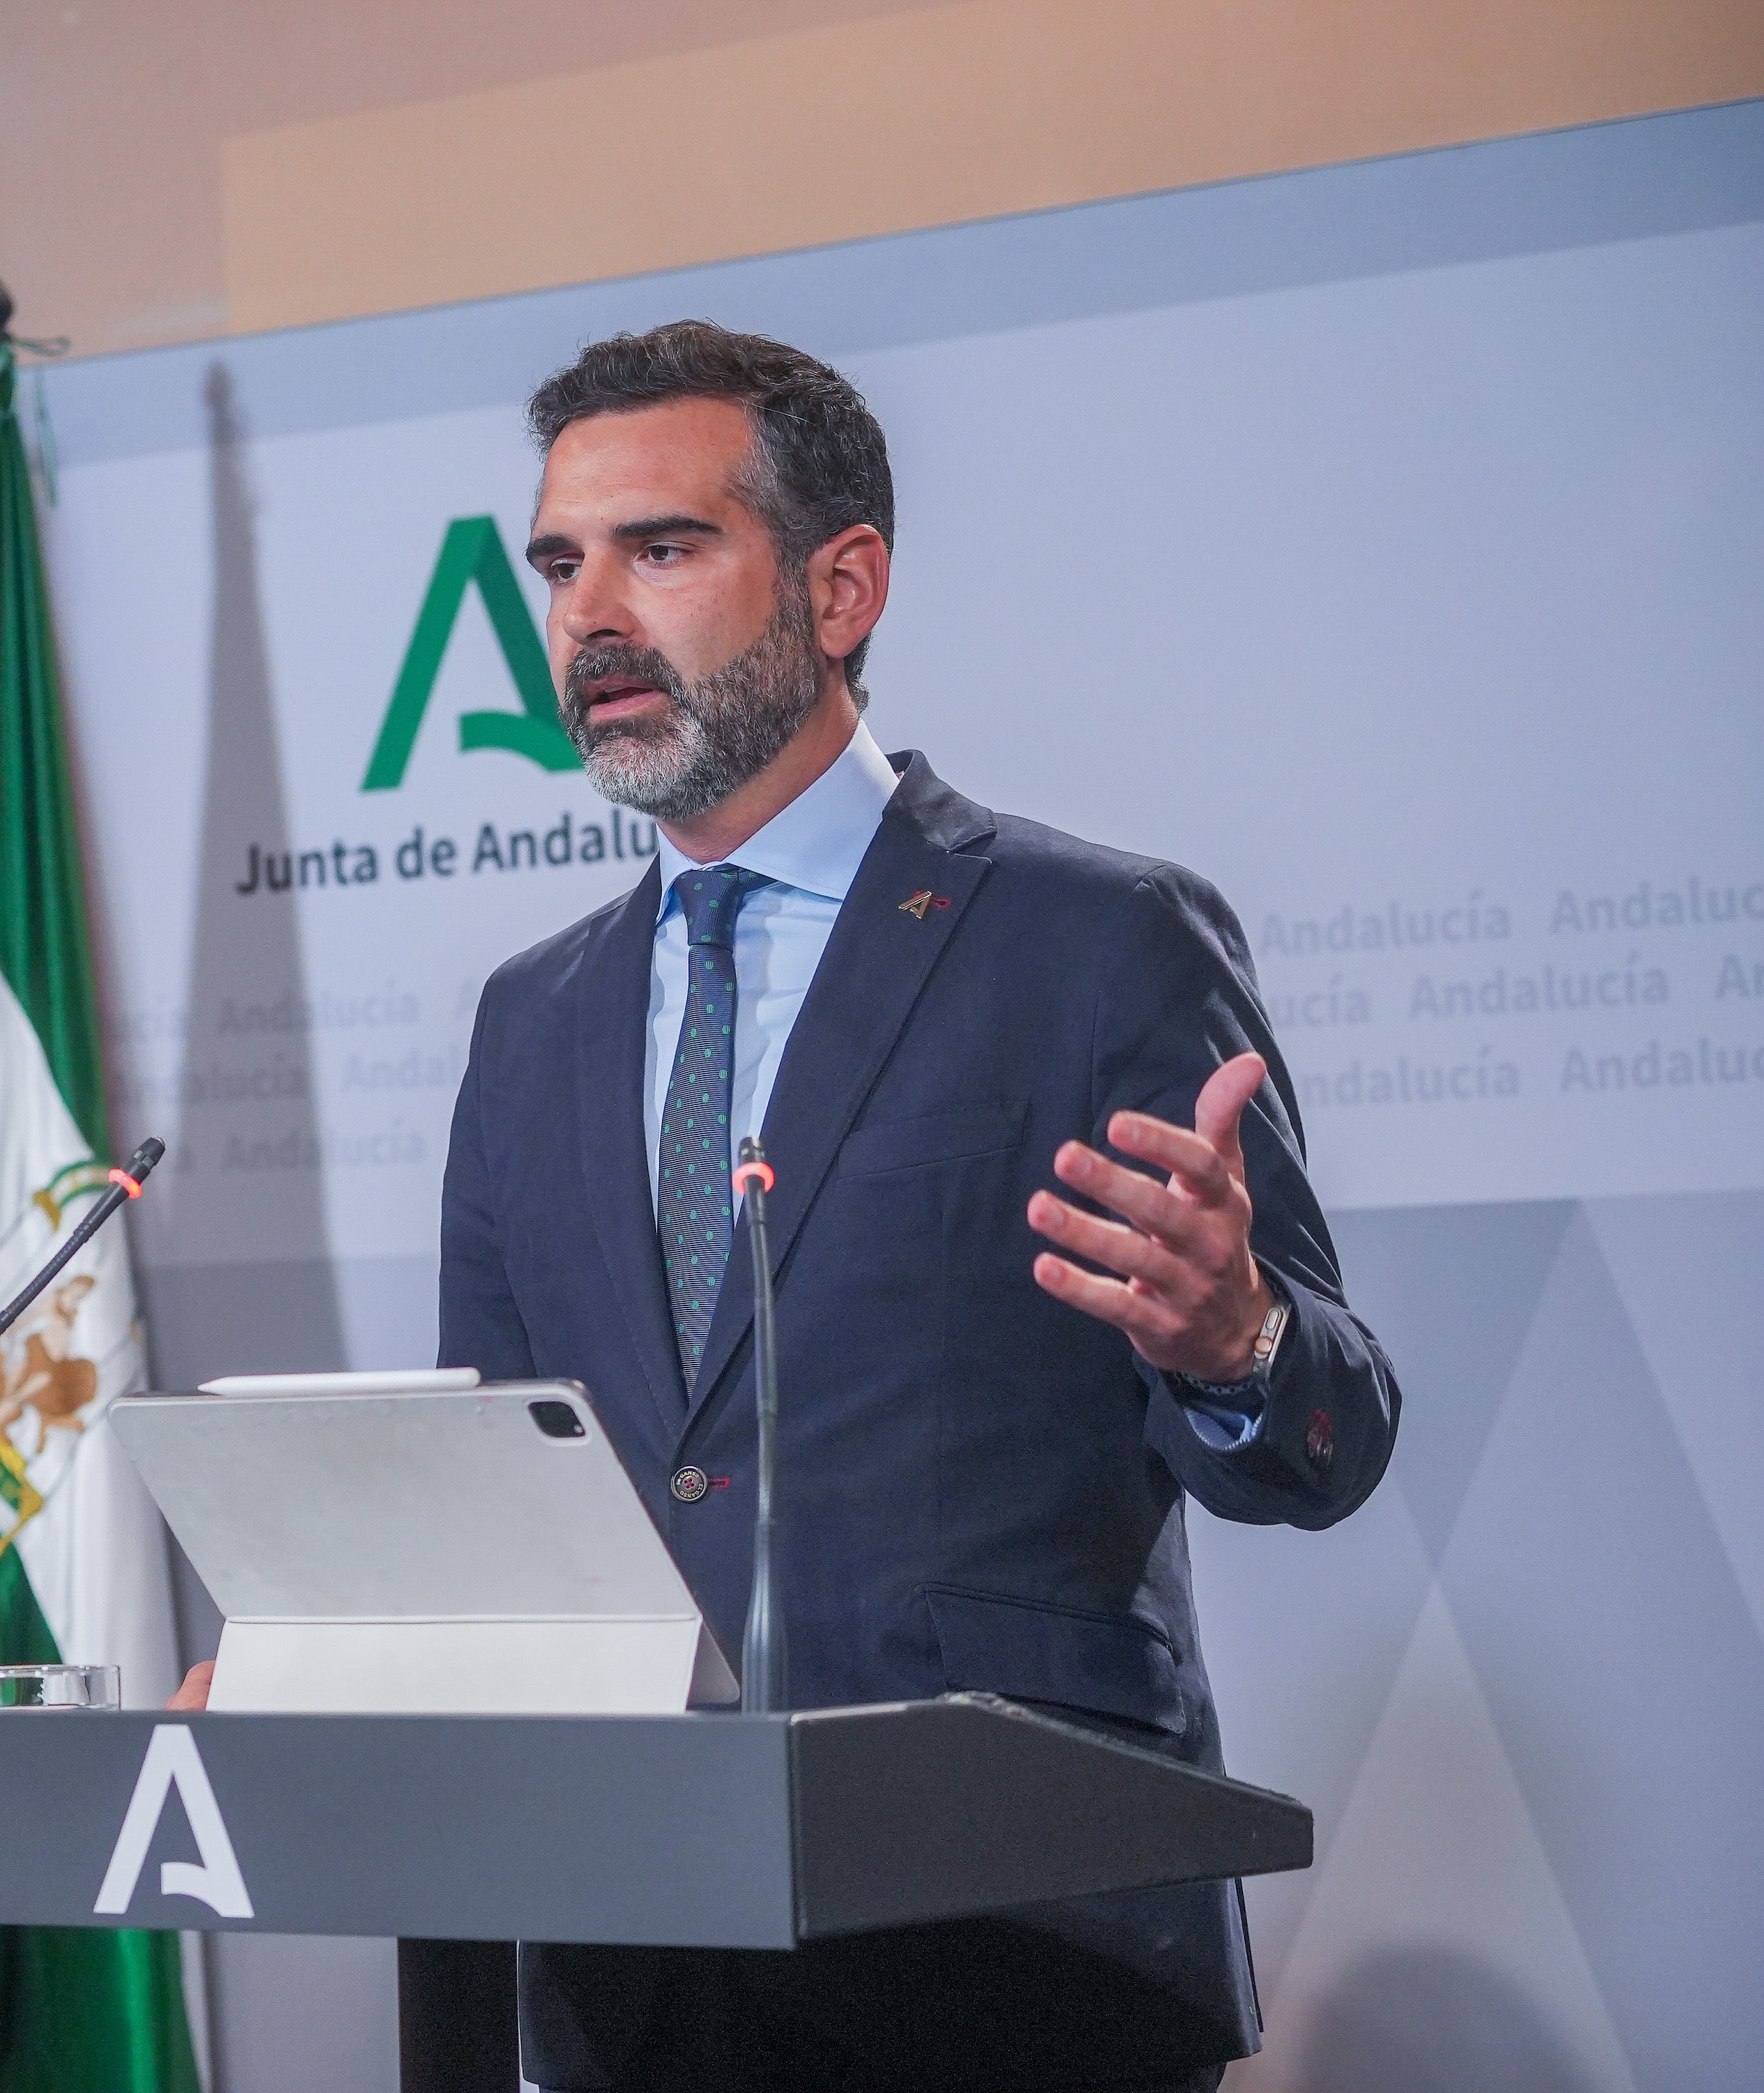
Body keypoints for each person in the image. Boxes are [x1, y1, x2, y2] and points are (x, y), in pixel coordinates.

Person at [436, 322, 1398, 2090]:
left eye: (663, 549)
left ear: (842, 583)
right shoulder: (533, 1019)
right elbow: (505, 1477)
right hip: (640, 1958)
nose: (590, 616)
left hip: (1015, 1945)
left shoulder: (1090, 941)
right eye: (561, 564)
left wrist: (1237, 1337)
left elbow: (1327, 1444)